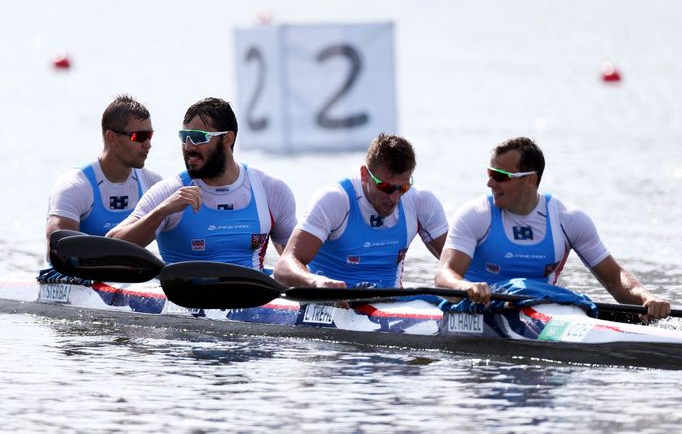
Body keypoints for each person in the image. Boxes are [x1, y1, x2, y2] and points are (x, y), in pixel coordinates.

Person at [434, 136, 671, 319]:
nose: (490, 182)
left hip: (541, 311)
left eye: (500, 175)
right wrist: (465, 286)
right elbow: (444, 275)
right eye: (489, 173)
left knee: (540, 292)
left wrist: (646, 298)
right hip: (479, 311)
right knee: (519, 288)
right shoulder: (476, 215)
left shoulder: (568, 219)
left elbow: (615, 280)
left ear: (529, 179)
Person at [106, 97, 296, 270]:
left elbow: (294, 259)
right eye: (184, 137)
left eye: (198, 138)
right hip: (183, 300)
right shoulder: (169, 192)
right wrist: (161, 212)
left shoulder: (271, 190)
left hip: (252, 300)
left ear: (227, 138)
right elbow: (111, 247)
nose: (188, 147)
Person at [274, 134, 448, 289]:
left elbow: (456, 266)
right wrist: (316, 282)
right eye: (385, 187)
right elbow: (284, 266)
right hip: (331, 301)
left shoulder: (421, 202)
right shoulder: (335, 200)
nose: (394, 198)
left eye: (403, 187)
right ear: (365, 174)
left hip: (390, 304)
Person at [45, 94, 162, 254]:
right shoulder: (74, 185)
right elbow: (59, 252)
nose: (148, 144)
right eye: (139, 136)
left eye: (150, 135)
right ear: (112, 137)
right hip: (72, 276)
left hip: (122, 275)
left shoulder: (153, 184)